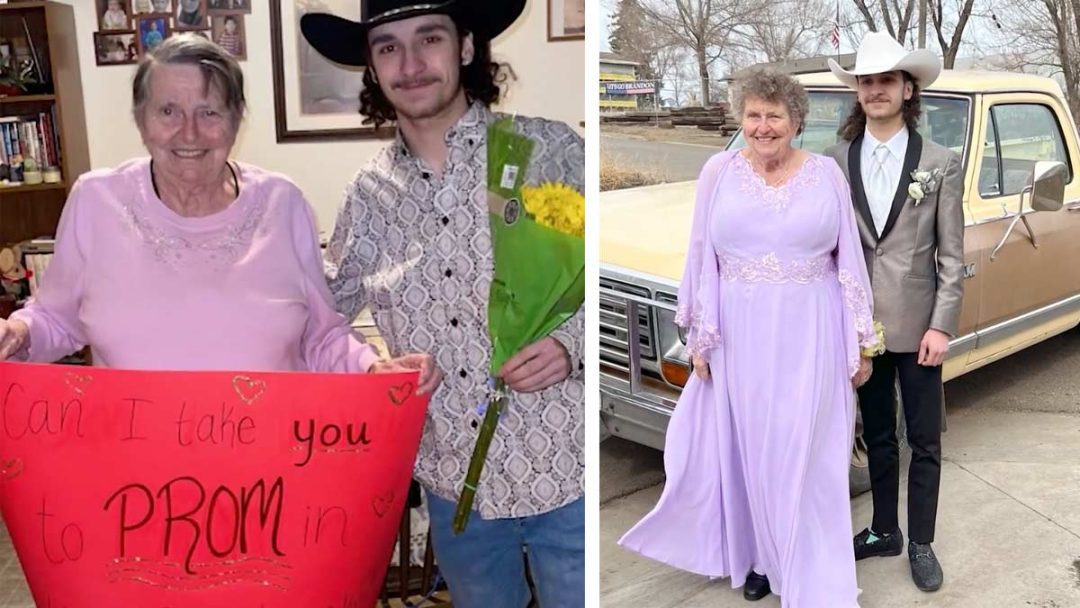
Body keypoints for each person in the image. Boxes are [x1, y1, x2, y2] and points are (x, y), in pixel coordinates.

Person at [300, 2, 584, 607]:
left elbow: (603, 271)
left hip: (568, 470)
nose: (409, 63)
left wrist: (573, 344)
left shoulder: (548, 149)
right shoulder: (368, 195)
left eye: (428, 38)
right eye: (387, 48)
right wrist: (373, 367)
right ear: (373, 69)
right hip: (457, 487)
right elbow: (316, 320)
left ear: (463, 47)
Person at [0, 35, 440, 396]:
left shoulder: (282, 204)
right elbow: (55, 318)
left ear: (235, 122)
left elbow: (321, 335)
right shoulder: (97, 201)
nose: (189, 133)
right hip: (133, 477)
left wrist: (372, 369)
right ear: (142, 121)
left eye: (209, 112)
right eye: (168, 111)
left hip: (266, 477)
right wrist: (16, 334)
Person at [618, 68, 881, 607]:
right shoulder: (718, 171)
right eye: (753, 116)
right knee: (751, 452)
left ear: (796, 122)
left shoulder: (828, 173)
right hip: (739, 335)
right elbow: (701, 256)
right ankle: (761, 556)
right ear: (741, 119)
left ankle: (804, 562)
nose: (763, 127)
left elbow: (849, 261)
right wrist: (700, 336)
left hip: (811, 333)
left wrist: (860, 340)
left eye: (774, 116)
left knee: (806, 452)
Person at [825, 32, 964, 593]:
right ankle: (885, 529)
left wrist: (941, 324)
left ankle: (922, 540)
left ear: (908, 89)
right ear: (857, 93)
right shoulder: (834, 162)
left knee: (924, 438)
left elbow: (952, 256)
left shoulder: (938, 163)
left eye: (886, 80)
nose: (876, 90)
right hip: (859, 325)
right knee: (877, 434)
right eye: (866, 81)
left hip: (918, 324)